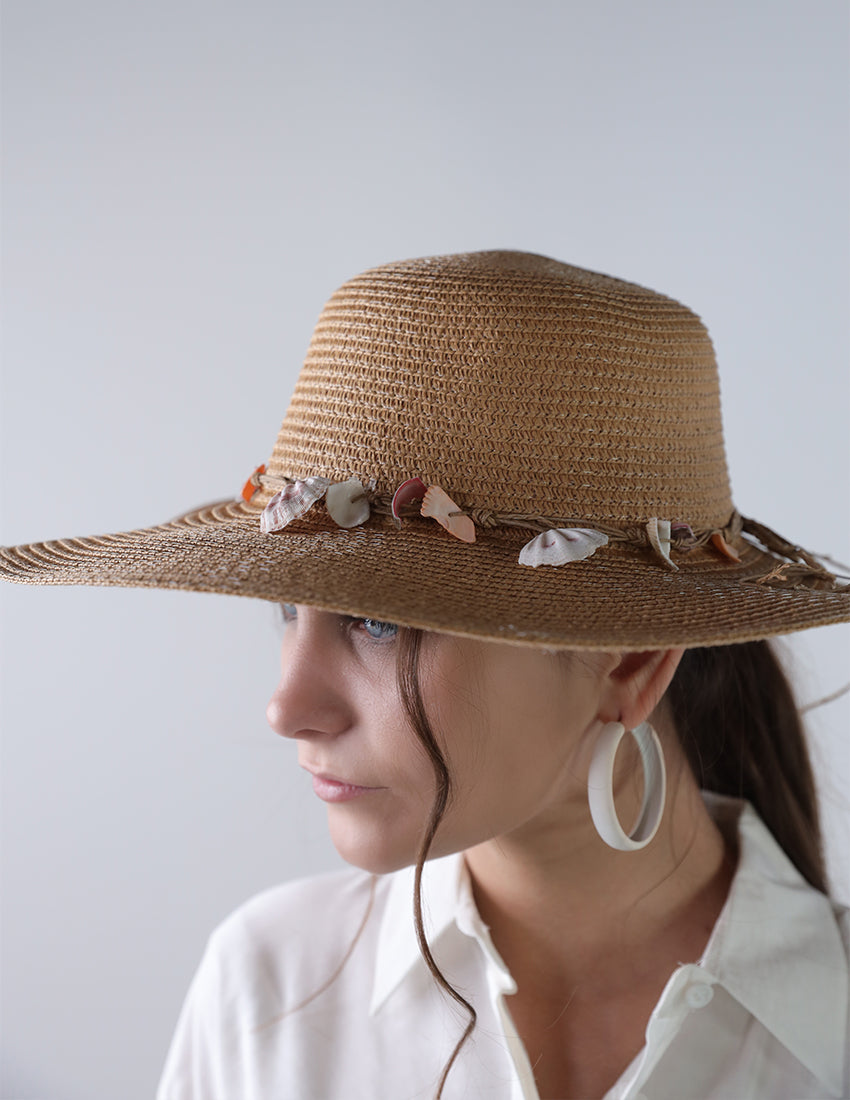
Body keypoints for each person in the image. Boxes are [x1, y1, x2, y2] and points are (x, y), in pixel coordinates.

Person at [2, 250, 848, 1100]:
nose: (287, 708)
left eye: (378, 623)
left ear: (627, 660)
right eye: (290, 611)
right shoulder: (269, 986)